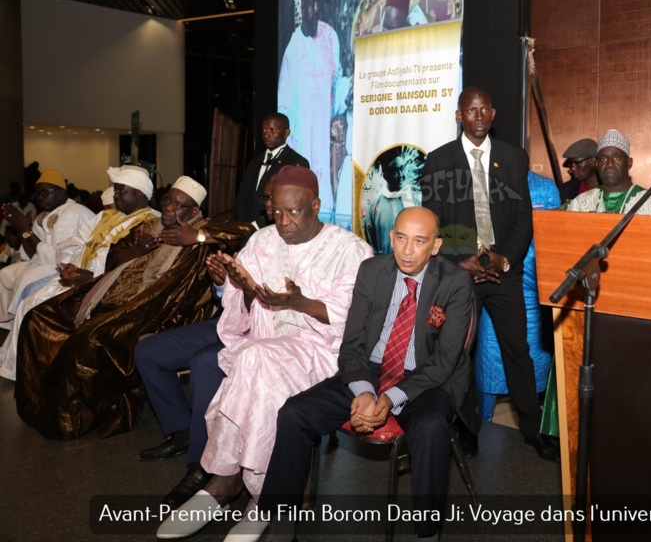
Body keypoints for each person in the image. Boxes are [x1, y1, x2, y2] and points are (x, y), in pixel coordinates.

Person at [156, 165, 373, 540]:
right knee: (255, 360)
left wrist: (301, 302)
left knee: (253, 360)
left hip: (324, 350)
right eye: (276, 212)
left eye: (294, 212)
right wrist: (233, 284)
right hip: (264, 341)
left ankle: (229, 482)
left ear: (316, 205)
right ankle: (259, 492)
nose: (283, 222)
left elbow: (353, 316)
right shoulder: (262, 241)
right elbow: (241, 302)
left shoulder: (350, 249)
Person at [249, 207, 478, 542]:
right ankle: (282, 523)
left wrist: (388, 399)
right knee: (295, 413)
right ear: (391, 237)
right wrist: (365, 393)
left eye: (419, 241)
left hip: (426, 380)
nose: (408, 250)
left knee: (431, 428)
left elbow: (444, 361)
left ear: (436, 245)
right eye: (401, 238)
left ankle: (428, 533)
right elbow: (352, 344)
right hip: (370, 370)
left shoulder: (455, 282)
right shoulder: (372, 271)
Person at [14, 176, 251, 439]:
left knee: (89, 337)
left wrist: (196, 235)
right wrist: (138, 249)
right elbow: (114, 258)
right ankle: (40, 405)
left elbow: (247, 231)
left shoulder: (204, 235)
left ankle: (73, 419)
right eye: (168, 201)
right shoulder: (151, 225)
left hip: (156, 309)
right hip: (112, 293)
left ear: (194, 211)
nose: (170, 209)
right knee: (39, 318)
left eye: (179, 205)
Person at [421, 86, 558, 462]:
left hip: (503, 273)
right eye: (471, 110)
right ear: (459, 115)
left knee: (519, 351)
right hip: (458, 274)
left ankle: (533, 432)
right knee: (457, 353)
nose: (478, 117)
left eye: (485, 110)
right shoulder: (438, 160)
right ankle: (465, 429)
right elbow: (432, 221)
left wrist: (504, 259)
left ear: (493, 114)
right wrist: (458, 261)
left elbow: (522, 218)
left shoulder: (514, 158)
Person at [136, 175, 277, 509]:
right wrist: (222, 284)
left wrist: (199, 236)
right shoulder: (262, 240)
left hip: (268, 331)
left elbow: (239, 234)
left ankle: (202, 465)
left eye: (279, 201)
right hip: (231, 320)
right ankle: (181, 430)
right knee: (148, 351)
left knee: (205, 361)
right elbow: (231, 292)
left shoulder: (319, 245)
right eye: (269, 200)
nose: (272, 208)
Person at [0, 165, 159, 381]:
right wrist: (71, 264)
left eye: (122, 191)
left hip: (101, 285)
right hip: (76, 276)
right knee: (28, 303)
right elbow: (76, 241)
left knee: (34, 309)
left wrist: (89, 276)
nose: (116, 195)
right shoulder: (105, 216)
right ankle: (14, 365)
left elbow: (132, 265)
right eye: (116, 190)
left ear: (139, 193)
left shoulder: (151, 222)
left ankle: (34, 370)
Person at [277, 0, 348, 222]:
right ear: (302, 4)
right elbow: (283, 106)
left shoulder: (331, 36)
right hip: (303, 145)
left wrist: (349, 88)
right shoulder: (293, 50)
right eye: (310, 3)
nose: (315, 9)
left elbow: (337, 84)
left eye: (319, 2)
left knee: (327, 206)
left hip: (326, 141)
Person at [0, 169, 96, 338]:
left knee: (27, 282)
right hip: (46, 264)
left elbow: (59, 260)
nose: (40, 198)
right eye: (37, 194)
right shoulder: (44, 216)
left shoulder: (72, 212)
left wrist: (25, 229)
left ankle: (20, 338)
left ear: (62, 192)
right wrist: (23, 230)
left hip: (73, 271)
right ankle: (8, 329)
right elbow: (30, 255)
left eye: (45, 192)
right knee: (3, 275)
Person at [234, 113, 309, 229]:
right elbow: (241, 198)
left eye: (272, 130)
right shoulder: (253, 163)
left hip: (276, 232)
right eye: (264, 130)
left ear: (286, 133)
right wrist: (241, 227)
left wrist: (255, 226)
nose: (266, 135)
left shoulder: (297, 162)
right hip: (245, 232)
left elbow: (292, 205)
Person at [567, 129, 651, 215]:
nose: (610, 164)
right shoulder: (579, 205)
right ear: (596, 164)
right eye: (603, 159)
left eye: (617, 158)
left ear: (629, 163)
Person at [558, 138, 599, 204]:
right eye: (571, 165)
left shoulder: (611, 188)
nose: (572, 169)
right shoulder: (566, 190)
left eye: (577, 163)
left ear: (593, 161)